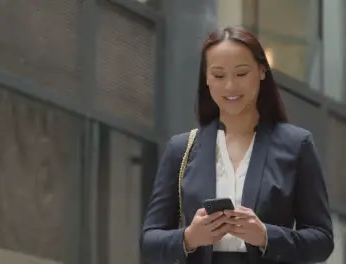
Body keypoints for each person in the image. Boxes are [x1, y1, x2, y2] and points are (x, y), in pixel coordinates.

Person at [140, 26, 334, 264]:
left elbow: (322, 240)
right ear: (207, 79)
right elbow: (150, 240)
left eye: (241, 74)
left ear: (262, 71)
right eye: (219, 75)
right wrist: (190, 237)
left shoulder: (296, 145)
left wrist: (265, 236)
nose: (230, 86)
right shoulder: (181, 149)